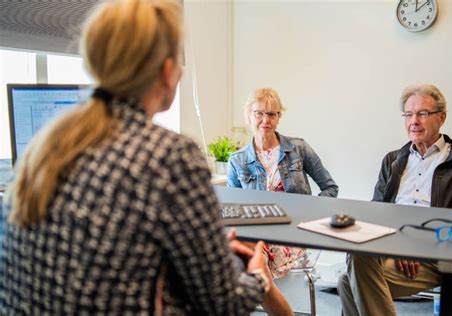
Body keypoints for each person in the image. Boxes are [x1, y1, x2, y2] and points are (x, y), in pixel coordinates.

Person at [0, 1, 292, 315]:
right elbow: (223, 304)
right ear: (166, 70)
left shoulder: (41, 150)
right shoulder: (170, 156)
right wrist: (259, 275)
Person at [337, 83, 452, 316]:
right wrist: (398, 246)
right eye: (408, 114)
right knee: (347, 278)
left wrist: (415, 245)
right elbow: (377, 211)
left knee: (349, 281)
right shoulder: (393, 160)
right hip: (390, 249)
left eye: (422, 113)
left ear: (441, 117)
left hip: (437, 255)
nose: (414, 121)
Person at [228, 88, 338, 278]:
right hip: (258, 232)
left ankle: (260, 294)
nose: (266, 120)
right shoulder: (237, 160)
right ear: (249, 116)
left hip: (295, 229)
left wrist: (309, 212)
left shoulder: (299, 148)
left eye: (272, 114)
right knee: (245, 253)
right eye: (259, 113)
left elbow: (330, 188)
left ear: (279, 117)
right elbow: (234, 210)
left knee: (252, 260)